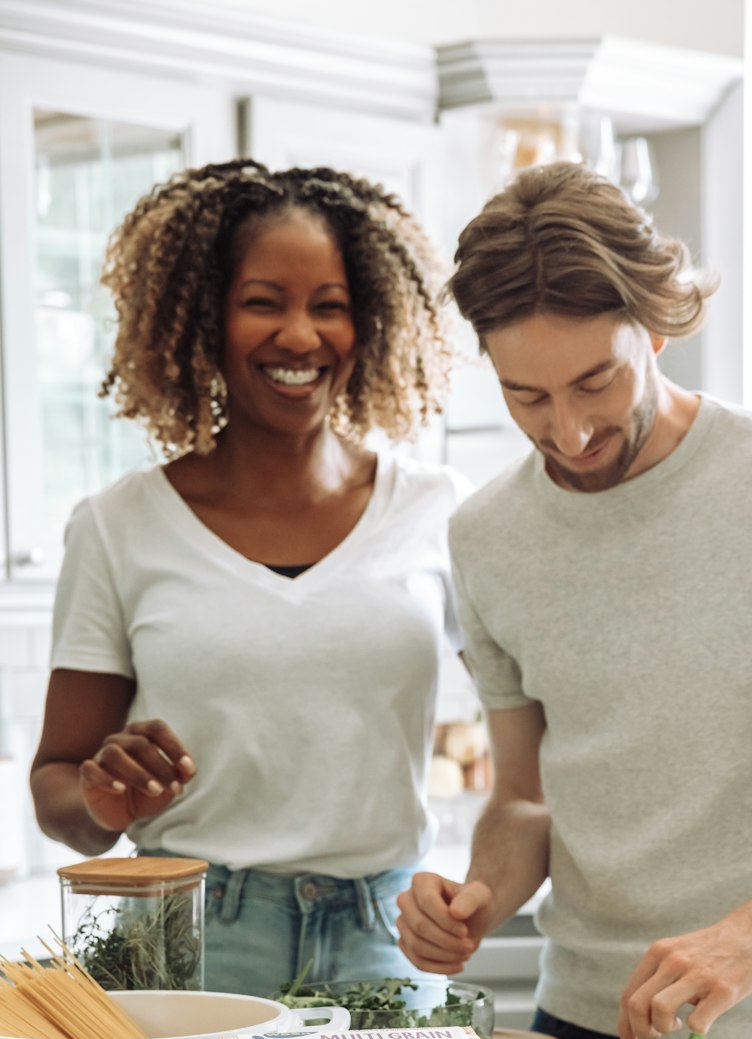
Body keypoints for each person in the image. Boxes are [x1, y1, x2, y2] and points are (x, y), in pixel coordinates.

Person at [396, 161, 752, 1039]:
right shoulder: (485, 534)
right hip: (578, 1023)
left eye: (595, 382)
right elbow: (525, 798)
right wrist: (477, 897)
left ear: (655, 325)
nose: (568, 432)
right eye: (526, 396)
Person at [31, 159, 468, 996]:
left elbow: (539, 734)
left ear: (369, 321)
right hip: (186, 940)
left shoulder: (439, 510)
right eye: (263, 302)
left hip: (384, 939)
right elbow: (58, 787)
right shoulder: (119, 526)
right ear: (203, 319)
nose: (300, 337)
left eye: (329, 306)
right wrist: (100, 801)